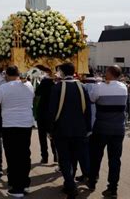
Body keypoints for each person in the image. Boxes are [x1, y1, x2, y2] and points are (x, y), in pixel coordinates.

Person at [0, 65, 35, 198]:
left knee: (13, 156)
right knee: (24, 154)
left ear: (6, 75)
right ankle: (25, 183)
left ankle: (17, 188)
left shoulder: (4, 87)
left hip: (10, 124)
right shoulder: (29, 85)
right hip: (26, 124)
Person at [46, 63, 92, 198]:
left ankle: (70, 185)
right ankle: (71, 182)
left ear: (61, 71)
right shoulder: (82, 87)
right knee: (74, 157)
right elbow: (87, 110)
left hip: (61, 129)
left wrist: (50, 129)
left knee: (64, 159)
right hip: (80, 129)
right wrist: (88, 128)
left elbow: (52, 111)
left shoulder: (57, 87)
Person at [87, 65, 128, 198]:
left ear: (110, 73)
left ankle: (92, 181)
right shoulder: (124, 87)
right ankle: (112, 188)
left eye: (106, 72)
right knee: (115, 160)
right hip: (118, 129)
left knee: (95, 156)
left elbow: (92, 99)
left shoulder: (100, 86)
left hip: (101, 128)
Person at [34, 68, 57, 164]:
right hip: (52, 112)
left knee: (42, 136)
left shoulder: (44, 82)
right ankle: (56, 156)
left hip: (42, 111)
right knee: (53, 136)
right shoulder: (56, 83)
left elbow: (37, 93)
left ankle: (45, 157)